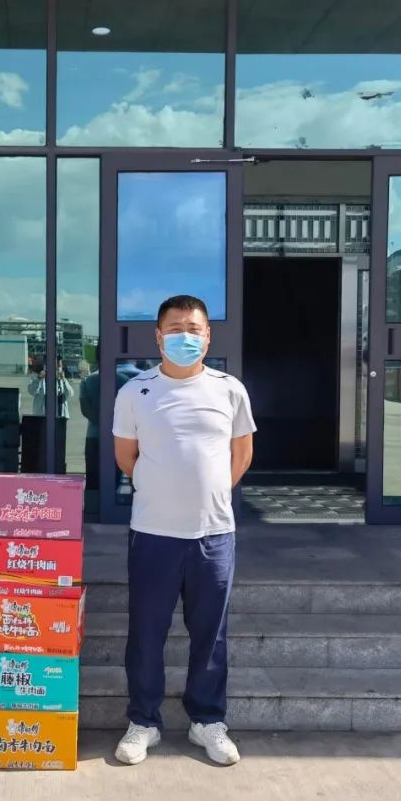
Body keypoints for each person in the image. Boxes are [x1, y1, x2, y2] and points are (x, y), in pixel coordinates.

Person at [112, 294, 255, 767]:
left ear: (208, 336)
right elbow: (126, 457)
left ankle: (207, 721)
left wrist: (207, 493)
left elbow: (241, 454)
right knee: (146, 632)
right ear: (158, 337)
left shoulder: (229, 390)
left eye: (194, 329)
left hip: (213, 534)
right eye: (175, 329)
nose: (185, 337)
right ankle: (144, 722)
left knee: (211, 634)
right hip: (153, 533)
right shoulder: (135, 392)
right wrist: (166, 489)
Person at [80, 345, 141, 492]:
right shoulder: (141, 378)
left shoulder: (89, 380)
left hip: (96, 436)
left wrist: (104, 423)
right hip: (133, 438)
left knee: (95, 484)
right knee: (136, 483)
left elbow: (86, 410)